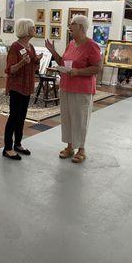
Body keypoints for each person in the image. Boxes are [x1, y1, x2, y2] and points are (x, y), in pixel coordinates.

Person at [45, 15, 102, 164]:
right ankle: (69, 146)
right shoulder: (71, 44)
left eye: (72, 24)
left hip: (82, 89)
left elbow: (97, 68)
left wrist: (78, 72)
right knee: (67, 118)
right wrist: (52, 51)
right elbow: (62, 62)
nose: (69, 27)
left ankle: (81, 149)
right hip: (66, 86)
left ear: (81, 27)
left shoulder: (92, 45)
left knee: (80, 119)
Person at [3, 18, 43, 160]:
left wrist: (36, 60)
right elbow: (9, 69)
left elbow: (32, 67)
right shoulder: (15, 47)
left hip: (26, 86)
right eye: (32, 27)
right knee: (14, 117)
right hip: (17, 87)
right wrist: (21, 63)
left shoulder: (30, 46)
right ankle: (7, 148)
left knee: (21, 117)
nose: (34, 29)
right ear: (26, 30)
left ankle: (18, 144)